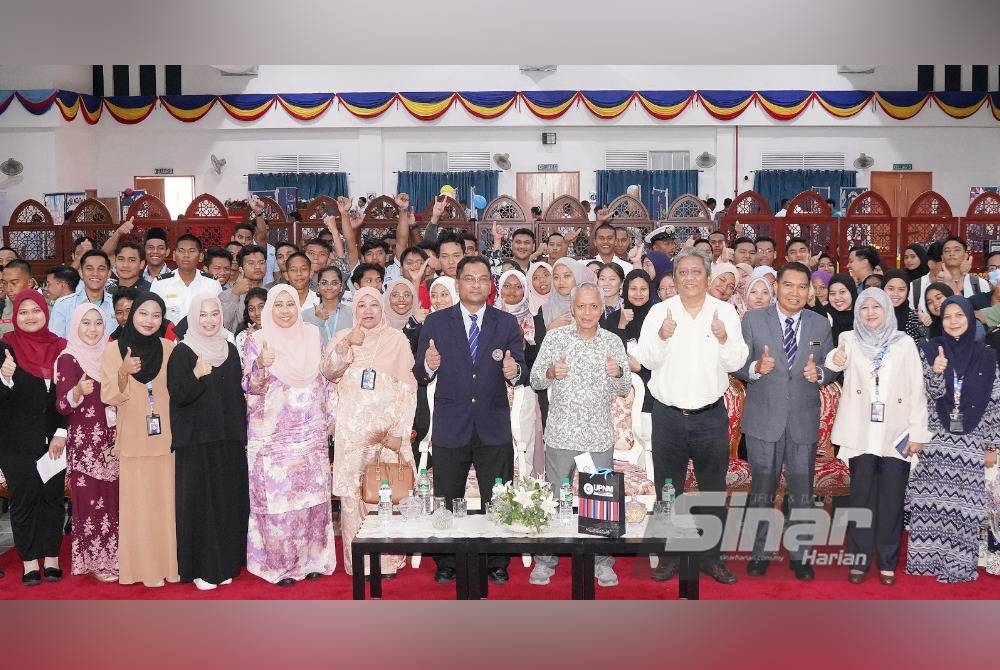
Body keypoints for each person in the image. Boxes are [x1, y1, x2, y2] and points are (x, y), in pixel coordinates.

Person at [637, 247, 748, 585]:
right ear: (674, 277)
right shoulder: (660, 312)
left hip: (710, 417)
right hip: (668, 415)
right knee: (667, 489)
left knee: (713, 488)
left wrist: (724, 337)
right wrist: (662, 335)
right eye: (682, 272)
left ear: (708, 277)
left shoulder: (724, 312)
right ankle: (670, 556)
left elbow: (736, 362)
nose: (689, 278)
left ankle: (711, 558)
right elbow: (645, 358)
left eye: (696, 272)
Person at [414, 256, 525, 585]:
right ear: (458, 282)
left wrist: (514, 371)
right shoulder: (436, 323)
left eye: (482, 279)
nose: (476, 284)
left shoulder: (505, 323)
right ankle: (447, 560)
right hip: (452, 423)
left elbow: (520, 368)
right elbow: (420, 371)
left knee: (499, 496)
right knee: (447, 495)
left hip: (493, 423)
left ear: (490, 285)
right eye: (469, 279)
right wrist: (430, 365)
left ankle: (496, 561)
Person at [824, 288, 931, 585]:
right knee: (861, 501)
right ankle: (859, 561)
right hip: (861, 434)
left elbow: (916, 390)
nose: (870, 312)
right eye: (864, 308)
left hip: (897, 434)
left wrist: (918, 433)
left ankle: (886, 561)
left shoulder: (904, 343)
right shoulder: (849, 338)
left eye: (876, 307)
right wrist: (836, 357)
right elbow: (834, 363)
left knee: (892, 500)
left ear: (887, 310)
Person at [735, 262, 835, 581]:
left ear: (809, 290)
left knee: (802, 490)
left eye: (802, 287)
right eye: (788, 285)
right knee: (762, 489)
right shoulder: (752, 319)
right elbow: (736, 363)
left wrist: (818, 373)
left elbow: (831, 363)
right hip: (764, 419)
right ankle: (759, 552)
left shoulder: (821, 325)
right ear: (776, 287)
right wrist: (755, 368)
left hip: (803, 419)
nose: (795, 292)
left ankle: (801, 555)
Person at [529, 282, 631, 587]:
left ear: (602, 309)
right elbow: (535, 379)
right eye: (581, 306)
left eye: (593, 306)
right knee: (555, 498)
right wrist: (550, 373)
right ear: (572, 308)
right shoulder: (556, 338)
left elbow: (624, 388)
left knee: (600, 501)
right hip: (561, 433)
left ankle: (601, 562)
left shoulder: (612, 342)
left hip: (597, 435)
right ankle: (546, 560)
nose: (587, 312)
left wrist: (617, 374)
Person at [242, 286, 336, 586]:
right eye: (278, 304)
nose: (285, 310)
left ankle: (312, 560)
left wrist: (331, 417)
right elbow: (249, 387)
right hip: (273, 438)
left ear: (299, 306)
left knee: (311, 501)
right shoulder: (257, 340)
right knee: (279, 504)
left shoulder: (312, 335)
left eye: (290, 304)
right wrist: (261, 366)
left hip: (310, 433)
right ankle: (280, 566)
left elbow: (324, 378)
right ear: (269, 308)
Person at [323, 287, 417, 576]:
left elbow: (408, 390)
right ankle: (359, 564)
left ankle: (387, 561)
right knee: (353, 499)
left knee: (385, 494)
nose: (367, 310)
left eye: (373, 304)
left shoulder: (396, 340)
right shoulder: (343, 338)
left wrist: (399, 432)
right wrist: (346, 347)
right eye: (361, 304)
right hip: (352, 436)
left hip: (385, 435)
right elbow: (328, 372)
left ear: (382, 308)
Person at [906, 296, 1000, 583]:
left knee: (964, 506)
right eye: (947, 317)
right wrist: (936, 373)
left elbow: (995, 400)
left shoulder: (985, 354)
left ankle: (958, 564)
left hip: (971, 439)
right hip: (936, 437)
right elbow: (923, 395)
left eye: (960, 315)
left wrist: (992, 444)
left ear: (970, 319)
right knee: (931, 503)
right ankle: (926, 561)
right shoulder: (929, 348)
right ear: (940, 321)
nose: (954, 321)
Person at [167, 294, 249, 590]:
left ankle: (225, 563)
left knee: (227, 505)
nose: (210, 320)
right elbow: (178, 395)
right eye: (203, 315)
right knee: (201, 507)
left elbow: (237, 397)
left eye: (215, 314)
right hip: (197, 443)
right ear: (192, 317)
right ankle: (202, 568)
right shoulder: (183, 352)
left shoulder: (229, 349)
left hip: (228, 441)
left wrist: (242, 434)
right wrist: (196, 375)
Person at [100, 292, 178, 587]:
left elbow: (179, 390)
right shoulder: (114, 349)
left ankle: (169, 567)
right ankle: (140, 570)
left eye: (156, 315)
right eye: (143, 313)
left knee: (165, 506)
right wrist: (123, 371)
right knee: (137, 508)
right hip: (133, 437)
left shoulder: (170, 348)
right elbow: (109, 395)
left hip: (166, 438)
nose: (149, 320)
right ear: (132, 315)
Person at [0, 290, 68, 585]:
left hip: (54, 439)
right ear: (15, 316)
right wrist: (4, 378)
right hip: (15, 442)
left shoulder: (61, 347)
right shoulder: (5, 348)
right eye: (23, 311)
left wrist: (62, 432)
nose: (30, 316)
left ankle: (51, 556)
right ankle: (29, 560)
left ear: (45, 312)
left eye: (35, 310)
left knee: (52, 499)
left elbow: (68, 395)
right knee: (24, 500)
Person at [55, 305, 119, 582]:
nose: (92, 330)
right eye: (86, 323)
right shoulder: (68, 359)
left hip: (113, 441)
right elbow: (60, 405)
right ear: (75, 326)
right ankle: (95, 560)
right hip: (85, 444)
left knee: (113, 502)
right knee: (91, 505)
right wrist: (77, 391)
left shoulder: (110, 355)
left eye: (97, 323)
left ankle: (116, 556)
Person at [151, 234, 222, 325]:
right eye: (181, 251)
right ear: (174, 255)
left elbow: (218, 316)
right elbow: (153, 316)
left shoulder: (212, 283)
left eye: (191, 251)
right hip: (169, 338)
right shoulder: (160, 283)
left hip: (203, 337)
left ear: (200, 256)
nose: (186, 255)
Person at [49, 249, 117, 338]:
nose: (95, 273)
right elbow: (55, 342)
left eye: (101, 269)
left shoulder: (116, 304)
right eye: (89, 269)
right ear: (81, 272)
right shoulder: (63, 305)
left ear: (109, 273)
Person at [302, 266, 353, 346]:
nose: (329, 287)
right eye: (324, 283)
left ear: (341, 287)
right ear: (317, 287)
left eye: (334, 283)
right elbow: (305, 343)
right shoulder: (305, 315)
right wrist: (318, 321)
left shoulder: (352, 314)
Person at [882, 269, 927, 341]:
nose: (895, 294)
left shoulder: (914, 318)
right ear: (883, 289)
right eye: (891, 289)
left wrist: (922, 324)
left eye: (901, 289)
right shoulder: (874, 315)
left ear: (908, 291)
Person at [234, 287, 268, 364]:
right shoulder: (242, 336)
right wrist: (252, 341)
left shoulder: (279, 329)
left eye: (261, 307)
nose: (257, 313)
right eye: (251, 309)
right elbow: (247, 367)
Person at [827, 274, 858, 345]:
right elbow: (813, 342)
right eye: (832, 293)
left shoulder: (863, 314)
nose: (837, 297)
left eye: (842, 292)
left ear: (852, 292)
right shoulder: (824, 315)